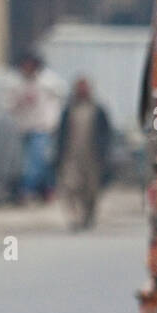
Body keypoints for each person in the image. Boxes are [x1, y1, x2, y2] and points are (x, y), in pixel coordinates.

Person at [54, 77, 111, 230]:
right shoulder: (68, 110)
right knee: (70, 187)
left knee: (90, 190)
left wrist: (105, 156)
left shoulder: (98, 110)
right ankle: (74, 217)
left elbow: (106, 135)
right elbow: (60, 134)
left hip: (92, 157)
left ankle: (88, 215)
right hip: (71, 156)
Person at [10, 54, 66, 203]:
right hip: (25, 128)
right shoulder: (19, 83)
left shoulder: (47, 81)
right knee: (42, 162)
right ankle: (48, 190)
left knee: (36, 161)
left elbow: (59, 100)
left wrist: (54, 123)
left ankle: (26, 190)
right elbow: (10, 105)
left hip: (43, 128)